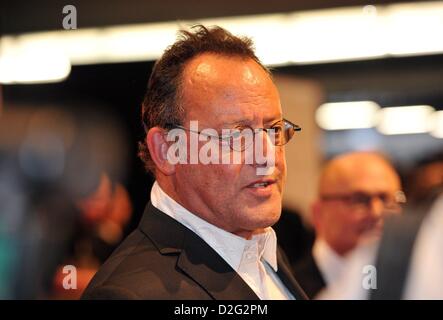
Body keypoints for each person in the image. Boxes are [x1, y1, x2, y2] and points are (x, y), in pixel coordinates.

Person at [82, 25, 307, 300]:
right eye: (237, 135)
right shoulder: (128, 294)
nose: (268, 156)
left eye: (273, 130)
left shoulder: (261, 251)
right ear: (168, 150)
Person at [293, 151, 405, 298]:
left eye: (386, 199)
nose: (377, 212)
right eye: (359, 199)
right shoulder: (287, 290)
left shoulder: (411, 281)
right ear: (318, 214)